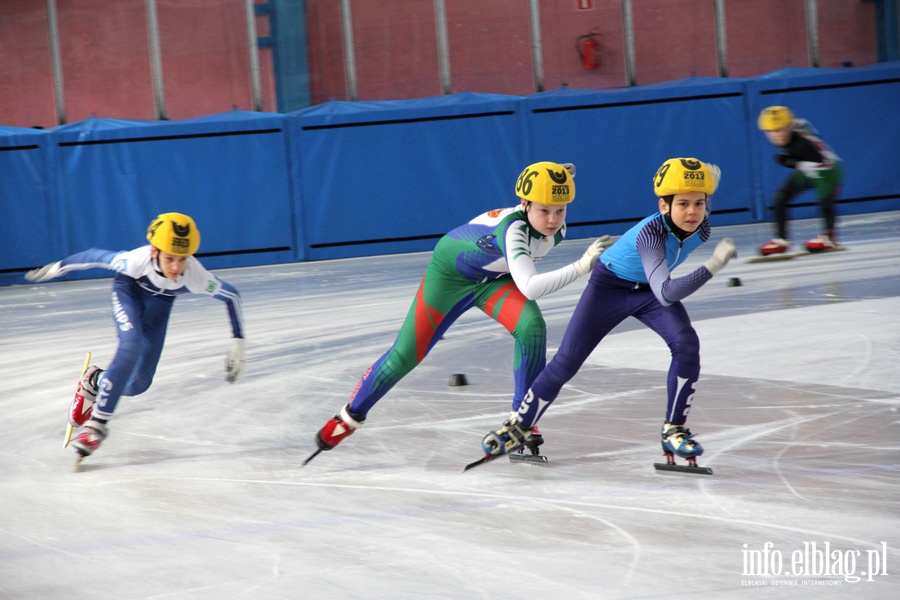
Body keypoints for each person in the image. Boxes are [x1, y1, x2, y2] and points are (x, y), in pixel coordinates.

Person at [309, 161, 612, 461]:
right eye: (544, 210)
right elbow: (531, 286)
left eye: (560, 210)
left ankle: (523, 420)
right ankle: (347, 419)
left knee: (532, 326)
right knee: (405, 355)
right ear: (524, 204)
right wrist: (581, 266)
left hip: (494, 279)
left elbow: (524, 276)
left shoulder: (555, 228)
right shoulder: (514, 231)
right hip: (450, 275)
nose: (552, 220)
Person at [479, 158, 737, 464]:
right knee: (567, 361)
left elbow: (660, 290)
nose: (692, 212)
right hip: (610, 288)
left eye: (699, 203)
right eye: (683, 203)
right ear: (664, 206)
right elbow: (667, 293)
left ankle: (674, 429)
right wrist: (713, 266)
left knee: (686, 344)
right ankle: (519, 426)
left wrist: (706, 183)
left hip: (648, 292)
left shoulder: (702, 227)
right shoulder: (651, 234)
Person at [25, 212, 246, 460]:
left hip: (161, 306)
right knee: (131, 345)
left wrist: (239, 342)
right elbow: (95, 257)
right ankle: (97, 427)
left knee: (138, 384)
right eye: (170, 258)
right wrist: (59, 267)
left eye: (182, 260)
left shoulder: (195, 275)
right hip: (128, 291)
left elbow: (232, 296)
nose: (176, 268)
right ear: (154, 252)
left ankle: (94, 381)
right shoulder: (135, 261)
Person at [756, 106, 844, 255]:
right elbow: (801, 122)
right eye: (770, 131)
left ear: (789, 126)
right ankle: (781, 240)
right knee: (780, 198)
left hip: (828, 171)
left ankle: (829, 237)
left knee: (825, 204)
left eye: (779, 130)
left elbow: (813, 158)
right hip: (806, 168)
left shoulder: (801, 145)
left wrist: (789, 161)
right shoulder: (793, 126)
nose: (775, 135)